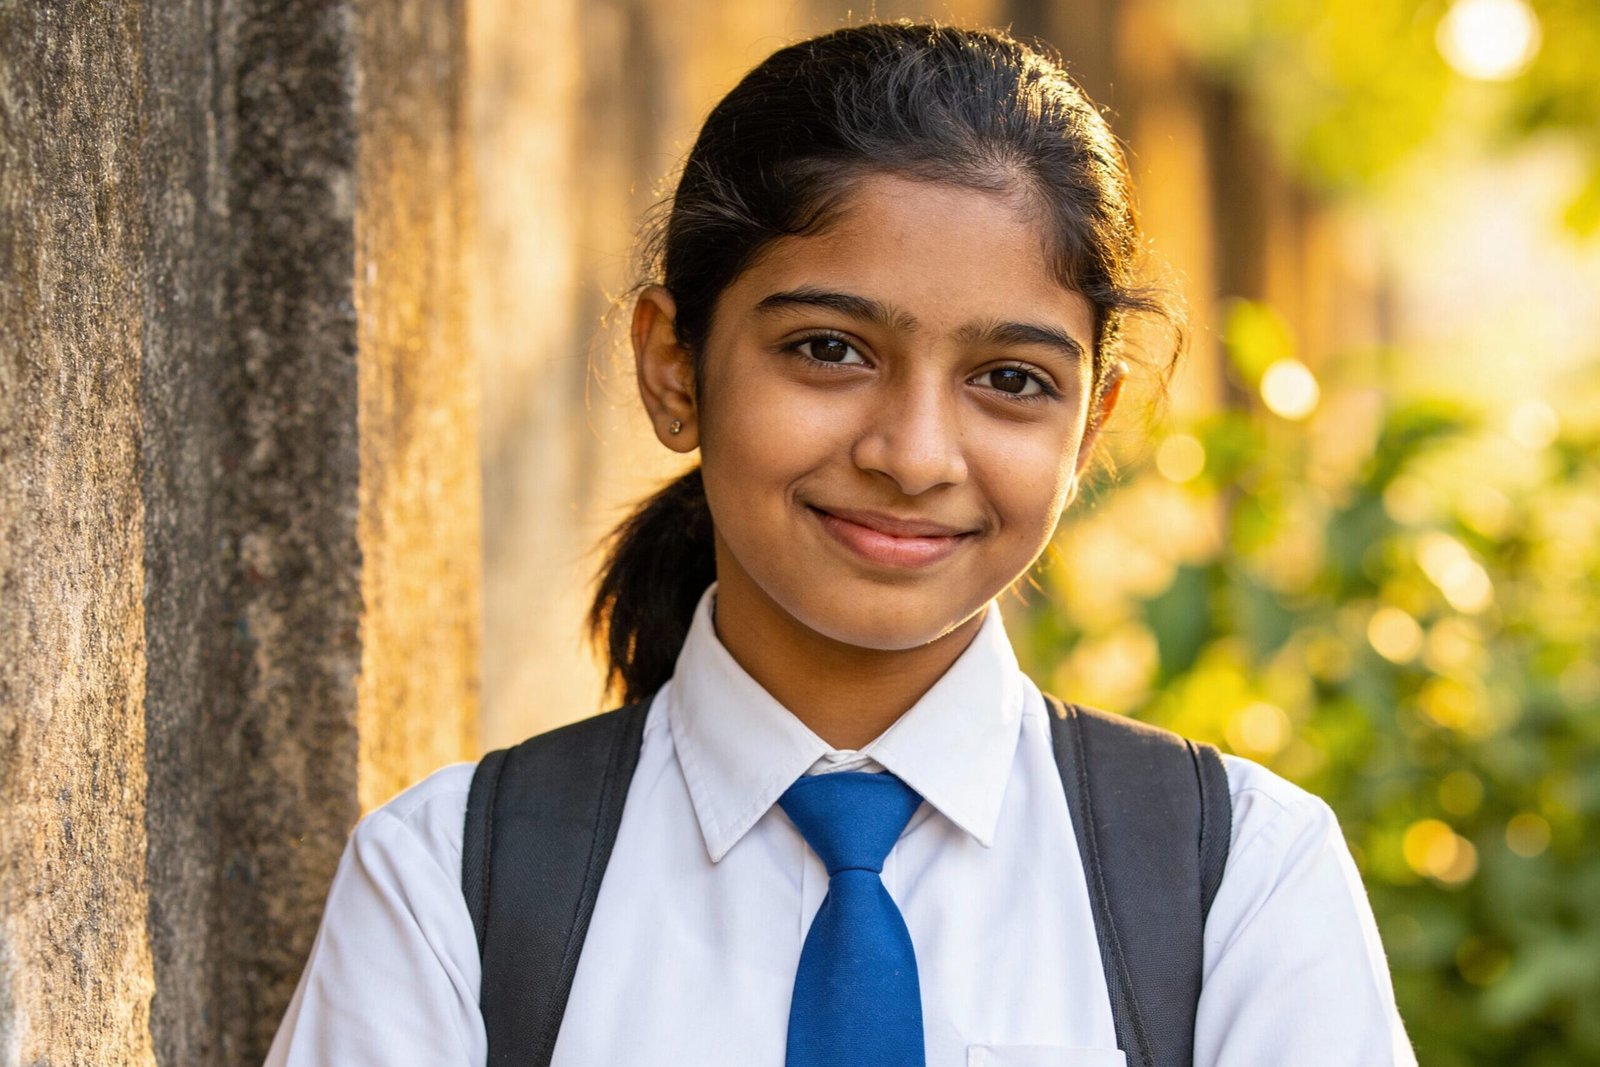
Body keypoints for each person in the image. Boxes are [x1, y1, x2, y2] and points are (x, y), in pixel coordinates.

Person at [265, 21, 1415, 1067]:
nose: (913, 455)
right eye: (828, 349)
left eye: (1011, 379)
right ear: (673, 367)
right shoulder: (446, 885)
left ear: (1090, 425)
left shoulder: (1237, 879)